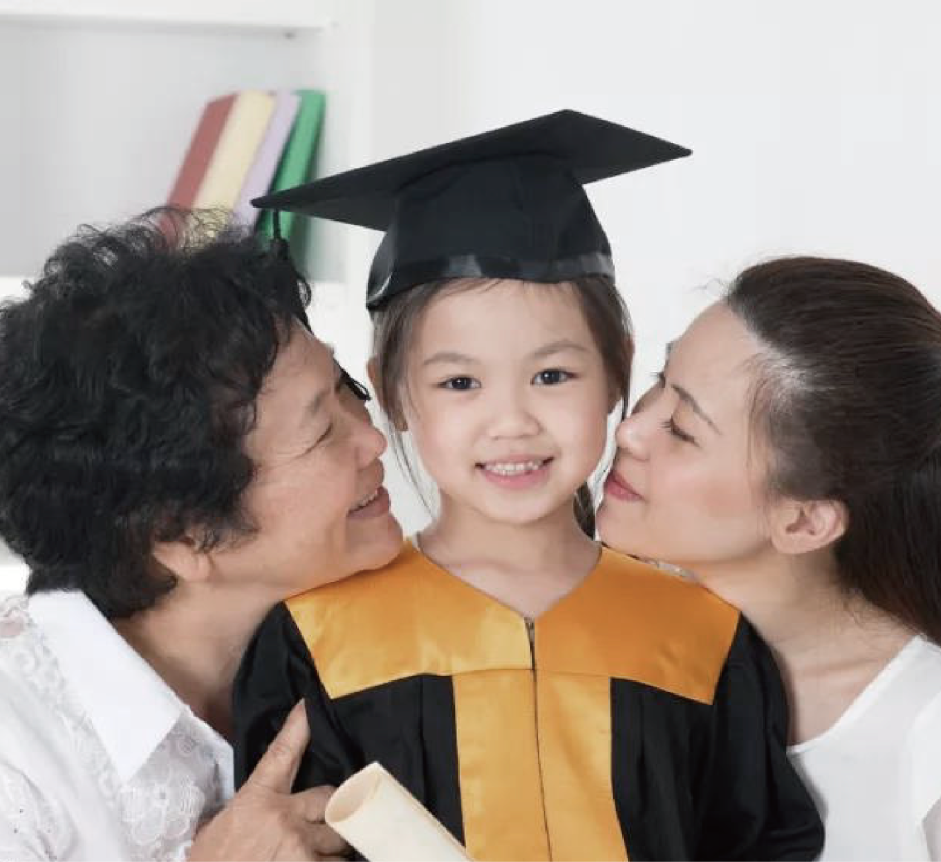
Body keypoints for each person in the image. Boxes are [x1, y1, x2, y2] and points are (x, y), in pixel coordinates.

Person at [232, 112, 824, 862]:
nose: (511, 422)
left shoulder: (704, 637)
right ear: (392, 393)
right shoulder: (318, 638)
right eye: (459, 382)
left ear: (617, 369)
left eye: (552, 375)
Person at [0, 209, 403, 861]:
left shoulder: (365, 627)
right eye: (321, 433)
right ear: (185, 535)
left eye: (347, 391)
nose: (373, 440)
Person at [596, 255, 941, 862]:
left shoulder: (924, 735)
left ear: (804, 521)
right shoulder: (606, 641)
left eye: (682, 428)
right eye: (659, 378)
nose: (631, 430)